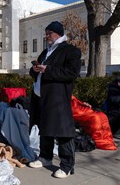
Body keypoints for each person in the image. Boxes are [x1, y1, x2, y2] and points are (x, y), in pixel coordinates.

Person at [28, 21, 81, 179]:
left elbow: (72, 73)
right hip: (41, 96)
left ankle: (67, 165)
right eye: (46, 33)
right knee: (45, 128)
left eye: (49, 33)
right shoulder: (45, 52)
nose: (47, 36)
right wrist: (35, 69)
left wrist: (47, 70)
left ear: (58, 33)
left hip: (57, 98)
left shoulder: (71, 51)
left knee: (62, 131)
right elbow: (35, 72)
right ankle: (45, 157)